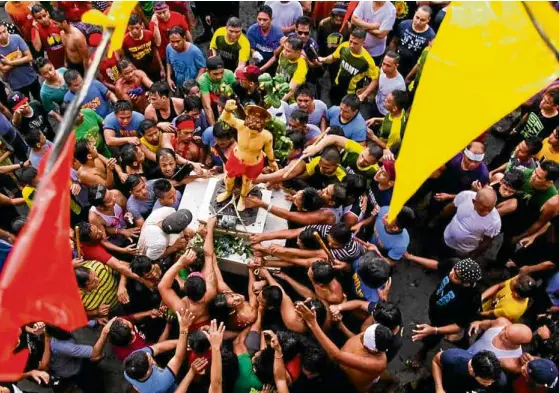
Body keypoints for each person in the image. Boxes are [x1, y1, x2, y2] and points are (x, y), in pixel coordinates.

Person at [298, 303, 392, 393]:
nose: (361, 337)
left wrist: (313, 324)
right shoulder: (376, 332)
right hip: (337, 362)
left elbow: (337, 355)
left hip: (346, 382)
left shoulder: (378, 364)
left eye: (364, 341)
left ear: (373, 350)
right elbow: (354, 338)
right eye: (364, 335)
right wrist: (341, 325)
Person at [407, 257, 482, 368]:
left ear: (466, 283)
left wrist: (435, 330)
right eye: (453, 270)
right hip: (435, 307)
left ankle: (422, 353)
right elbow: (438, 266)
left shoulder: (472, 299)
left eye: (456, 277)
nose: (451, 274)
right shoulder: (454, 263)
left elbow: (459, 326)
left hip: (445, 321)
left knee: (432, 338)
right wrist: (410, 257)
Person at [216, 100, 278, 211]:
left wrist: (272, 161)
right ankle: (228, 192)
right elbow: (226, 119)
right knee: (229, 178)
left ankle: (242, 198)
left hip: (253, 162)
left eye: (255, 131)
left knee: (246, 182)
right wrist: (227, 110)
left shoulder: (267, 136)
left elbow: (269, 150)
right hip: (237, 158)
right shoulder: (241, 126)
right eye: (250, 129)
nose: (251, 133)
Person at [123, 309, 195, 393]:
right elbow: (178, 357)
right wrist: (184, 329)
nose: (148, 354)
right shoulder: (161, 384)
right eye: (149, 359)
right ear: (148, 370)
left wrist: (182, 342)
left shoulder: (128, 371)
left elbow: (158, 347)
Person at [319, 29, 379, 106]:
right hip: (337, 85)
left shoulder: (367, 61)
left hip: (351, 94)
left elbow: (375, 80)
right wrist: (323, 59)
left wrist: (363, 94)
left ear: (363, 43)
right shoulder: (344, 46)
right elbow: (333, 57)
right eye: (350, 41)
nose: (351, 45)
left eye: (355, 43)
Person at [443, 188, 501, 258]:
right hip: (446, 236)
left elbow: (486, 242)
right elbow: (451, 207)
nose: (486, 213)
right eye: (482, 209)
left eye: (490, 210)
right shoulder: (465, 196)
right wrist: (438, 219)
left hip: (462, 250)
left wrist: (472, 256)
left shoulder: (495, 221)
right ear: (474, 201)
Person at [303, 133, 383, 180]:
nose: (361, 161)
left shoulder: (373, 172)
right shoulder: (357, 148)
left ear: (374, 162)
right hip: (331, 171)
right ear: (364, 149)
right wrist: (316, 148)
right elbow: (333, 138)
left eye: (367, 162)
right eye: (362, 156)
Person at [389, 5, 436, 78]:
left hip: (411, 68)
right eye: (417, 17)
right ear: (414, 13)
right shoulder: (403, 25)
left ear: (428, 19)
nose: (418, 22)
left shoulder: (430, 36)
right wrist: (390, 59)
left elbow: (422, 59)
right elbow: (394, 42)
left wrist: (409, 77)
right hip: (396, 62)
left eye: (422, 20)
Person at [432, 349, 506, 393]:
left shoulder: (500, 380)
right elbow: (436, 361)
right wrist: (439, 388)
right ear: (472, 370)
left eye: (491, 382)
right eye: (485, 382)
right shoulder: (452, 358)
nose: (489, 384)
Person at [0, 23, 41, 101]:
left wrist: (10, 63)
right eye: (0, 33)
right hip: (16, 84)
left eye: (4, 31)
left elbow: (29, 57)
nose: (3, 35)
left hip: (31, 76)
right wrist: (19, 58)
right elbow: (4, 69)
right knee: (25, 106)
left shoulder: (16, 38)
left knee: (40, 99)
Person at [122, 14, 165, 82]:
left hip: (154, 67)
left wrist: (161, 67)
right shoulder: (125, 40)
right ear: (128, 27)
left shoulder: (149, 34)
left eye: (137, 28)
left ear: (142, 25)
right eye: (131, 28)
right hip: (140, 70)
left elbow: (155, 50)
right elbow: (127, 58)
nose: (134, 31)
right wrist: (136, 71)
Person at [367, 90, 408, 155]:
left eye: (388, 101)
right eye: (386, 98)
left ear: (394, 108)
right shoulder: (400, 111)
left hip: (380, 147)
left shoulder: (395, 131)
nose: (385, 100)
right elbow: (390, 119)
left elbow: (388, 148)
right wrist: (376, 119)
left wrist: (373, 138)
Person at [198, 56, 235, 126]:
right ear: (207, 71)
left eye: (221, 72)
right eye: (215, 74)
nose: (219, 76)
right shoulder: (203, 80)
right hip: (213, 107)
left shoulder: (229, 74)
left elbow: (236, 96)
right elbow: (207, 106)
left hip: (228, 105)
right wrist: (213, 128)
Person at [166, 26, 206, 91]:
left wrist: (195, 83)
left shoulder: (194, 51)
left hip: (192, 87)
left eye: (178, 41)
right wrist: (168, 78)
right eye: (172, 42)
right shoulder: (169, 48)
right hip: (178, 85)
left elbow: (203, 67)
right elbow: (168, 62)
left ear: (184, 38)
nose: (175, 45)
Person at [50, 8, 89, 75]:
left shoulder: (77, 37)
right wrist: (65, 62)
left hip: (80, 67)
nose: (54, 26)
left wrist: (86, 75)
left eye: (56, 23)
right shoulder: (62, 33)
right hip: (70, 64)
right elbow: (66, 48)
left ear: (64, 22)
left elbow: (86, 58)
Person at [247, 4, 284, 71]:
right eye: (259, 19)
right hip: (256, 62)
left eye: (265, 20)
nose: (261, 22)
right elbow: (250, 48)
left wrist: (261, 69)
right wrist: (254, 53)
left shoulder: (278, 34)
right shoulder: (251, 30)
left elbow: (276, 56)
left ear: (271, 19)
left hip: (273, 65)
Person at [371, 52, 406, 118]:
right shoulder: (382, 70)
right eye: (383, 64)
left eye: (388, 65)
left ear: (396, 66)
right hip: (375, 104)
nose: (384, 67)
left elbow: (397, 109)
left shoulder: (399, 86)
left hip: (385, 115)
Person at [30, 4, 65, 69]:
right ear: (35, 19)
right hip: (54, 62)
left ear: (47, 13)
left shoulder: (56, 22)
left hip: (66, 57)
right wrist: (36, 29)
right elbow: (37, 48)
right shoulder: (35, 29)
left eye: (44, 15)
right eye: (39, 18)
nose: (43, 19)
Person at [276, 35, 308, 102]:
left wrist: (278, 104)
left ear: (298, 52)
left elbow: (291, 91)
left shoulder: (301, 66)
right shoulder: (283, 54)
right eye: (284, 48)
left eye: (288, 51)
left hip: (290, 100)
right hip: (277, 90)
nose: (284, 52)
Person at [36, 57, 67, 123]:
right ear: (41, 75)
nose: (50, 73)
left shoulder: (63, 71)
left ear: (52, 64)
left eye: (50, 69)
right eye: (45, 73)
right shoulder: (44, 92)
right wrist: (61, 119)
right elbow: (50, 110)